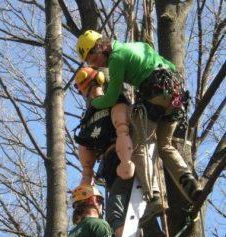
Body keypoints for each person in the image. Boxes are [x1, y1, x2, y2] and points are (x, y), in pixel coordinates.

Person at [76, 30, 202, 203]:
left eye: (95, 60)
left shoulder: (116, 58)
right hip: (174, 96)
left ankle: (154, 196)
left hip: (155, 94)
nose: (98, 65)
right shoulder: (138, 46)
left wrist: (95, 104)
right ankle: (190, 184)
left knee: (138, 146)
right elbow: (170, 67)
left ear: (100, 46)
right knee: (165, 145)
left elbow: (112, 97)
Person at [73, 67, 160, 237]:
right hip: (109, 168)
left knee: (115, 214)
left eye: (91, 86)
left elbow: (122, 129)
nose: (90, 94)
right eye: (86, 90)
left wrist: (126, 159)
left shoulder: (113, 100)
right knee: (113, 219)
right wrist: (86, 195)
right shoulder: (87, 120)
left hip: (123, 159)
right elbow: (87, 166)